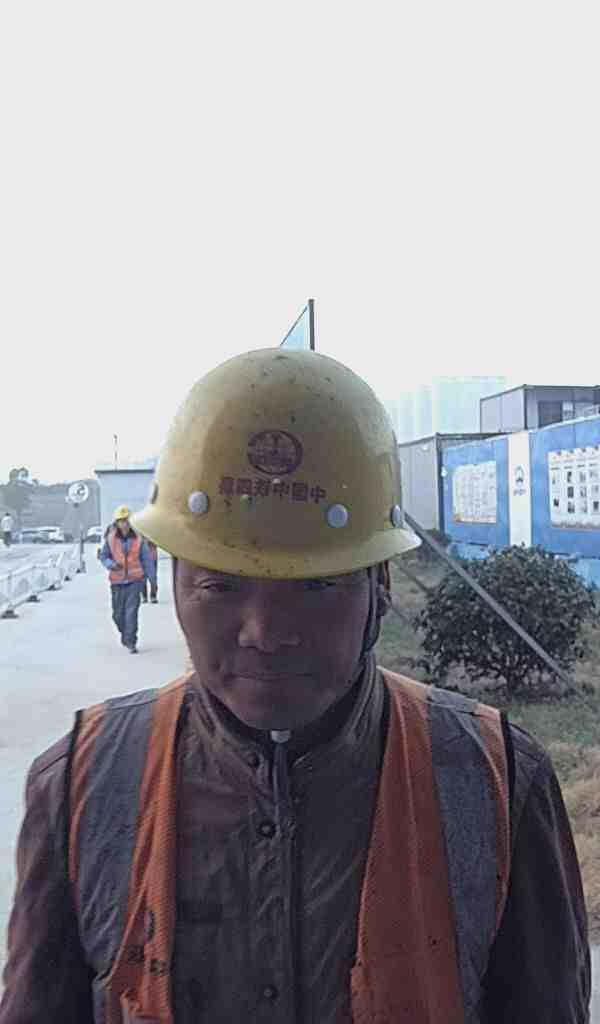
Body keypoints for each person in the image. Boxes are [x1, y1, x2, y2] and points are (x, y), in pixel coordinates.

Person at [0, 348, 590, 1023]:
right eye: (221, 586)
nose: (265, 632)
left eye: (314, 587)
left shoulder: (492, 782)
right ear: (174, 579)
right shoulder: (84, 782)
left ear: (380, 586)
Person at [98, 505, 157, 654]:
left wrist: (152, 580)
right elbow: (103, 556)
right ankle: (125, 635)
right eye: (121, 521)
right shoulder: (110, 539)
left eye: (126, 520)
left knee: (131, 613)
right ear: (116, 523)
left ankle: (131, 641)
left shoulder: (139, 539)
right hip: (117, 582)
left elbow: (147, 560)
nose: (124, 524)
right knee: (117, 615)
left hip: (135, 581)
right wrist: (111, 564)